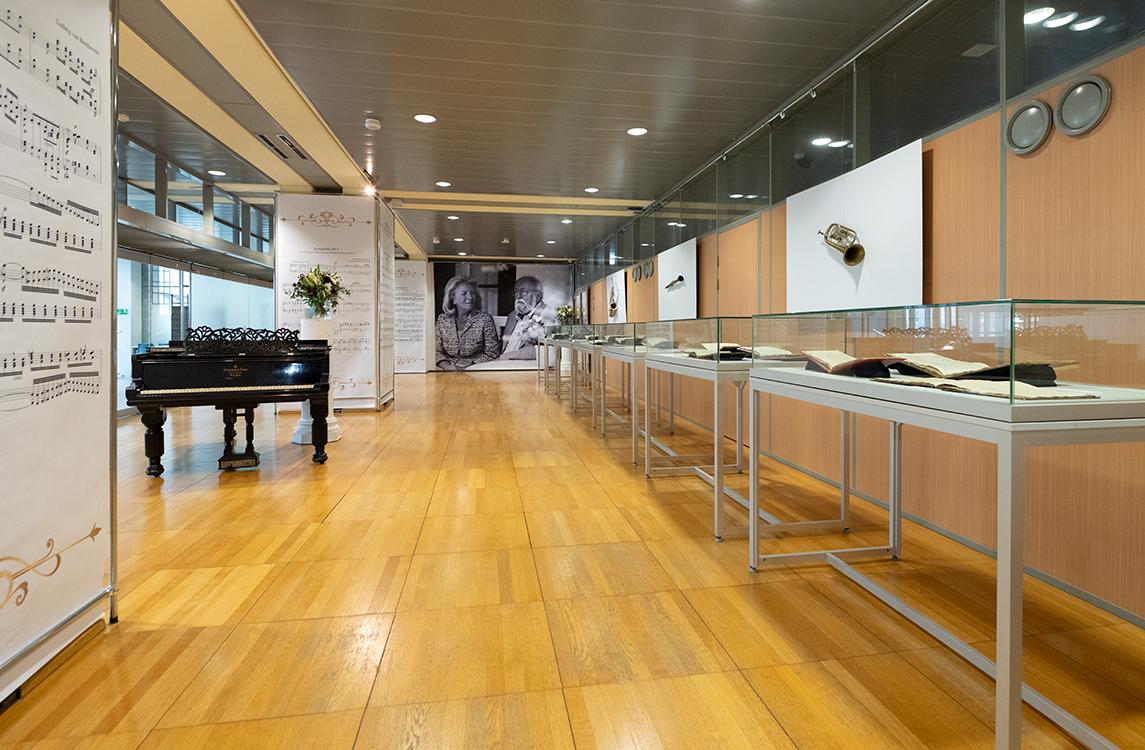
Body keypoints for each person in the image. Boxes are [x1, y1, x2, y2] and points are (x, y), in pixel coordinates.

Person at [435, 276, 501, 369]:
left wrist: (465, 368)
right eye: (463, 293)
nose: (470, 297)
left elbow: (492, 353)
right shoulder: (443, 319)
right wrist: (448, 367)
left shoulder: (485, 319)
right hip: (446, 369)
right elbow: (436, 351)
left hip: (475, 369)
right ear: (453, 299)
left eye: (472, 293)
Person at [500, 275, 557, 360]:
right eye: (516, 291)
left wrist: (504, 357)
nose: (519, 296)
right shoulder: (512, 316)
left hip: (524, 365)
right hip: (502, 363)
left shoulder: (549, 316)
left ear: (538, 296)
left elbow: (546, 350)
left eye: (524, 291)